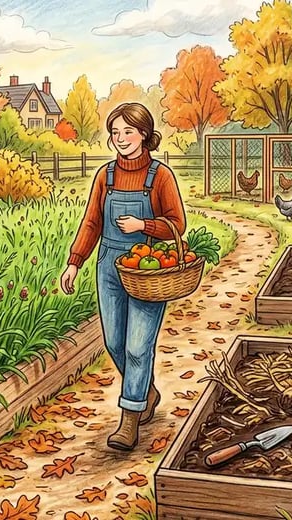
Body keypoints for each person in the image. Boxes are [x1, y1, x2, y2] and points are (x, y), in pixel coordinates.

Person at [59, 102, 186, 450]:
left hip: (148, 269)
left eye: (128, 131)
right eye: (115, 133)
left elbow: (177, 225)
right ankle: (146, 392)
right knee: (115, 342)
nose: (121, 139)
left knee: (137, 346)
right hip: (109, 266)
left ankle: (129, 420)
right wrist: (75, 261)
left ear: (144, 134)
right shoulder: (106, 176)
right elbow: (91, 222)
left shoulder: (160, 177)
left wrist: (143, 225)